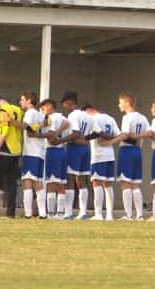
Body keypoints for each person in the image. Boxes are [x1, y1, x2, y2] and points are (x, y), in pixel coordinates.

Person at [49, 91, 93, 220]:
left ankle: (68, 212)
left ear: (69, 103)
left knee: (70, 179)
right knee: (82, 180)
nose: (65, 108)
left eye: (65, 106)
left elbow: (75, 133)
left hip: (74, 149)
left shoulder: (73, 115)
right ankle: (83, 212)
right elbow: (93, 132)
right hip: (85, 148)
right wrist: (86, 140)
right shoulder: (87, 116)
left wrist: (60, 141)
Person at [3, 91, 46, 219]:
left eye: (22, 100)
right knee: (37, 182)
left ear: (29, 100)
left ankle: (28, 213)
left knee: (27, 181)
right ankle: (42, 213)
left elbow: (25, 127)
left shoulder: (30, 113)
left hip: (31, 152)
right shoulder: (40, 115)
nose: (20, 102)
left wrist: (10, 120)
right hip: (40, 152)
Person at [117, 92, 151, 221]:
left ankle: (128, 214)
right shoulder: (142, 117)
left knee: (125, 183)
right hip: (137, 151)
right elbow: (150, 132)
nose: (119, 105)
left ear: (126, 103)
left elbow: (125, 135)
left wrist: (113, 140)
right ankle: (140, 215)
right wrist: (139, 137)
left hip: (126, 151)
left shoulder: (127, 118)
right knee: (135, 184)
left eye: (120, 103)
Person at [85, 105, 121, 221]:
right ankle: (109, 214)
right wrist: (110, 141)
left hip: (98, 155)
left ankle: (98, 213)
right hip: (110, 155)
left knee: (97, 183)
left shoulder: (93, 119)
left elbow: (94, 134)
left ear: (90, 110)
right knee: (108, 184)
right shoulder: (110, 118)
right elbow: (118, 134)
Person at [38, 99, 71, 219]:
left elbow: (51, 138)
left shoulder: (52, 118)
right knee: (61, 183)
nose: (42, 112)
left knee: (52, 183)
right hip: (63, 151)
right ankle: (61, 213)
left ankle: (51, 213)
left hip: (52, 151)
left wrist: (59, 129)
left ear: (48, 106)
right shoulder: (64, 118)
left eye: (42, 109)